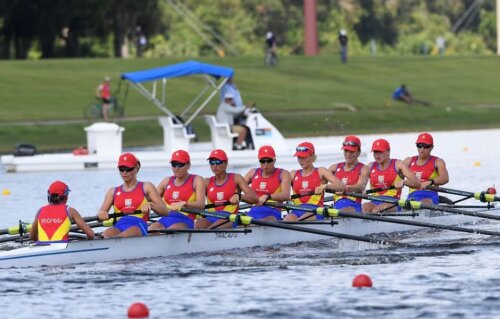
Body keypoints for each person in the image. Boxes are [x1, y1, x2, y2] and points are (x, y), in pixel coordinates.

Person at [97, 152, 169, 238]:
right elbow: (101, 212)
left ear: (136, 169)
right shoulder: (112, 191)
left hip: (138, 225)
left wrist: (151, 205)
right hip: (119, 225)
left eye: (128, 169)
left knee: (124, 236)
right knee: (106, 235)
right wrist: (102, 213)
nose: (124, 172)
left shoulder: (147, 187)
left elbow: (165, 212)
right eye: (121, 169)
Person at [196, 149, 258, 229]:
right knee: (199, 224)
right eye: (211, 162)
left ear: (226, 163)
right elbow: (196, 201)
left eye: (218, 162)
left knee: (215, 227)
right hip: (211, 216)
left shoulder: (236, 178)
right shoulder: (206, 182)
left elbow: (255, 198)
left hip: (230, 217)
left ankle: (208, 236)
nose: (214, 165)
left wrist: (239, 196)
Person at [284, 142, 346, 221]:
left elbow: (341, 186)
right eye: (299, 157)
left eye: (304, 157)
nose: (301, 160)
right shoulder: (293, 173)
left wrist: (326, 186)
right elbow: (280, 189)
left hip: (315, 210)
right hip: (296, 210)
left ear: (312, 157)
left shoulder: (321, 171)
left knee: (301, 221)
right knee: (286, 221)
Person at [148, 150, 206, 231]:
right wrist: (147, 204)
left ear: (188, 165)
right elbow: (150, 200)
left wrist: (185, 203)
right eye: (174, 165)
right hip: (166, 218)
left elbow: (201, 205)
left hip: (185, 220)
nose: (176, 168)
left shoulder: (197, 180)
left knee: (172, 230)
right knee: (152, 229)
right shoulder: (166, 181)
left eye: (180, 165)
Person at [359, 139, 421, 213]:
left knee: (377, 210)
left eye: (380, 152)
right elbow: (360, 185)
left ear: (388, 152)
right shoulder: (370, 166)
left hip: (393, 202)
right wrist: (360, 189)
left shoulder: (398, 164)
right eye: (375, 152)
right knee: (364, 208)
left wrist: (404, 182)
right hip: (375, 201)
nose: (377, 155)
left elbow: (417, 183)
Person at [29, 181, 94, 243]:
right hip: (63, 249)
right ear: (66, 196)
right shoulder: (71, 211)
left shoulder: (40, 211)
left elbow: (32, 236)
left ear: (49, 196)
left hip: (41, 249)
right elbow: (91, 234)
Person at [243, 145, 291, 221]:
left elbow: (285, 194)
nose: (266, 164)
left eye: (269, 161)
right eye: (262, 161)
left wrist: (268, 196)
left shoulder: (283, 174)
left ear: (274, 160)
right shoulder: (252, 172)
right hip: (253, 212)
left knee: (257, 223)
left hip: (272, 213)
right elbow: (236, 189)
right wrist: (237, 196)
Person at [403, 133, 449, 204]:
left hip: (430, 196)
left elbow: (445, 178)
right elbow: (393, 174)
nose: (422, 149)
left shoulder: (438, 162)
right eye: (419, 145)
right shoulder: (408, 161)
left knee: (424, 202)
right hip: (412, 196)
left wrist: (430, 181)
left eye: (426, 146)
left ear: (432, 147)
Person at [328, 136, 366, 212]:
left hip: (353, 207)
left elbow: (361, 186)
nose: (348, 155)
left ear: (358, 152)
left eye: (351, 152)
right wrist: (323, 187)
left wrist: (344, 187)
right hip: (336, 207)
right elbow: (319, 183)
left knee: (343, 211)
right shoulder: (333, 168)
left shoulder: (364, 169)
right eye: (346, 151)